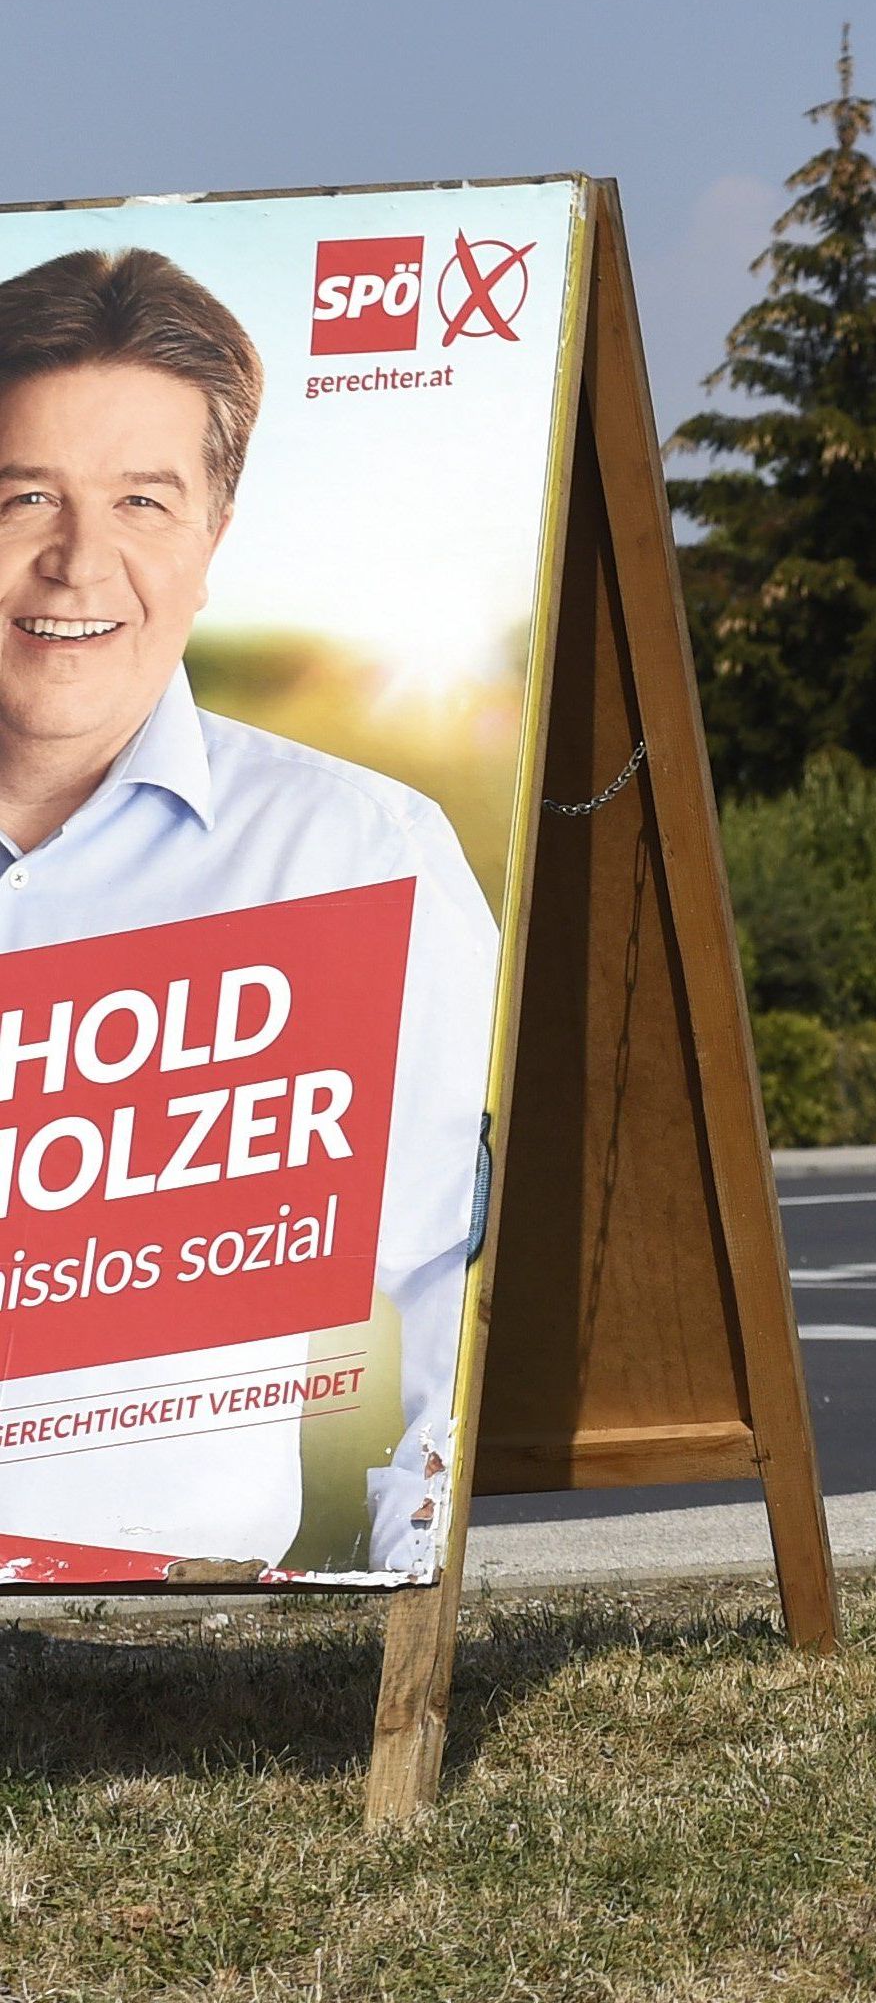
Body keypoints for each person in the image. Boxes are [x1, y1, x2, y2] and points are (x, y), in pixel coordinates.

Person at [0, 247, 498, 1577]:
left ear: (215, 536)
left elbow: (469, 1264)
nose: (75, 561)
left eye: (143, 502)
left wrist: (405, 1585)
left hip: (157, 1645)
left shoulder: (350, 856)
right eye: (25, 494)